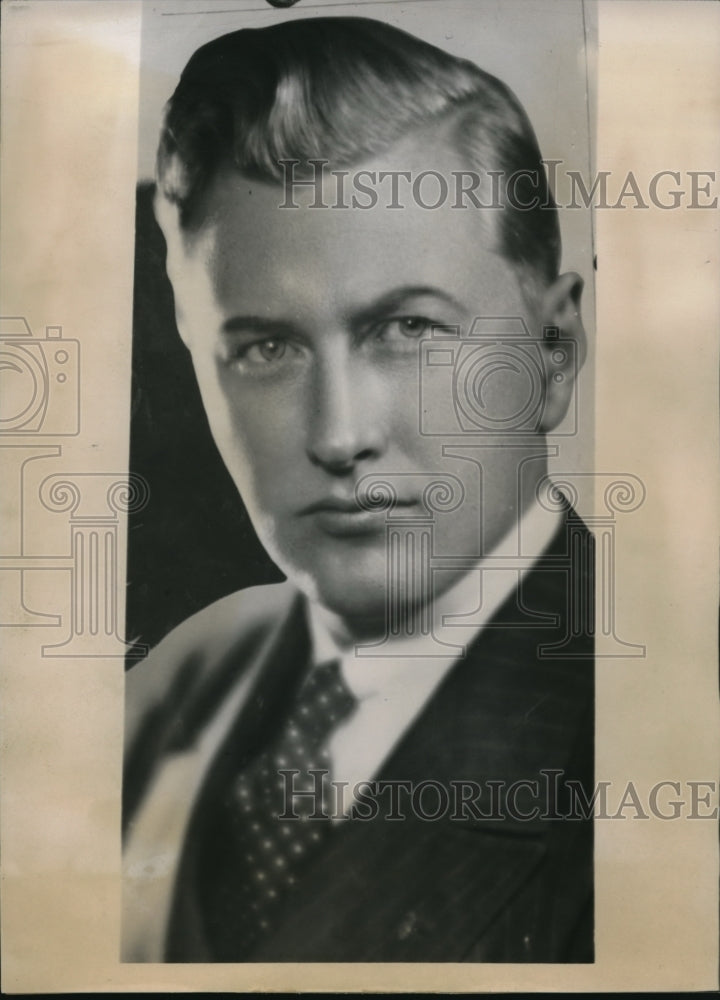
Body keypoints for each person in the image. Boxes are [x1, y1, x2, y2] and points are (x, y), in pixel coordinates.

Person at [122, 16, 594, 963]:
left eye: (408, 330)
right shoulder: (177, 685)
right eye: (265, 348)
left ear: (551, 357)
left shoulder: (655, 743)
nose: (339, 436)